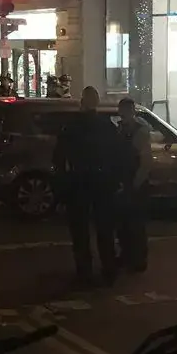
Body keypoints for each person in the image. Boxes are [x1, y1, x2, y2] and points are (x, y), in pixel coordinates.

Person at [53, 85, 121, 286]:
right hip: (102, 182)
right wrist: (115, 180)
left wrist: (63, 182)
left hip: (79, 180)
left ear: (82, 102)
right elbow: (118, 157)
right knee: (105, 228)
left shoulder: (71, 126)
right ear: (97, 103)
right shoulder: (107, 127)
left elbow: (59, 157)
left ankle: (85, 272)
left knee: (80, 230)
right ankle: (109, 269)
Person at [116, 97, 151, 273]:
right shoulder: (121, 129)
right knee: (123, 224)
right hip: (124, 182)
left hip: (135, 183)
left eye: (127, 110)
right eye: (122, 110)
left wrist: (135, 184)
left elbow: (145, 162)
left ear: (132, 111)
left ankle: (139, 260)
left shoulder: (141, 131)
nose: (124, 114)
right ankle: (126, 255)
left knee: (136, 225)